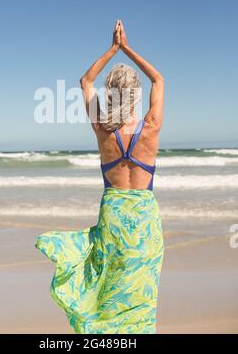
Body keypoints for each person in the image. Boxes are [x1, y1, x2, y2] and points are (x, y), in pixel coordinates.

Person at [35, 20, 165, 334]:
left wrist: (112, 48)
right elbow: (159, 79)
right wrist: (128, 48)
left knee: (109, 290)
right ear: (136, 95)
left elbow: (85, 80)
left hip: (114, 217)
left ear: (110, 94)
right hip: (145, 220)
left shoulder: (102, 128)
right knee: (140, 296)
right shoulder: (151, 127)